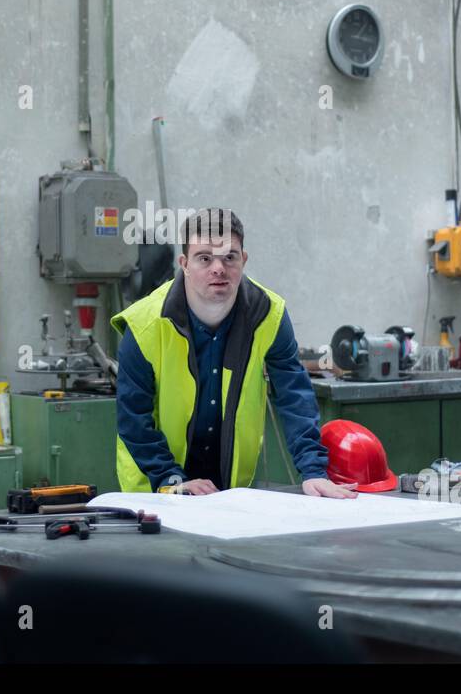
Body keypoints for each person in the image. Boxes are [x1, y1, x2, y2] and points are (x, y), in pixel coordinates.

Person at [112, 208, 358, 498]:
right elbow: (133, 417)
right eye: (204, 258)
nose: (219, 268)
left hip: (229, 489)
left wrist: (313, 471)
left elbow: (294, 395)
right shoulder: (145, 324)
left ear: (244, 259)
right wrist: (170, 478)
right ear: (184, 264)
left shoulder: (269, 314)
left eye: (229, 256)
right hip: (156, 490)